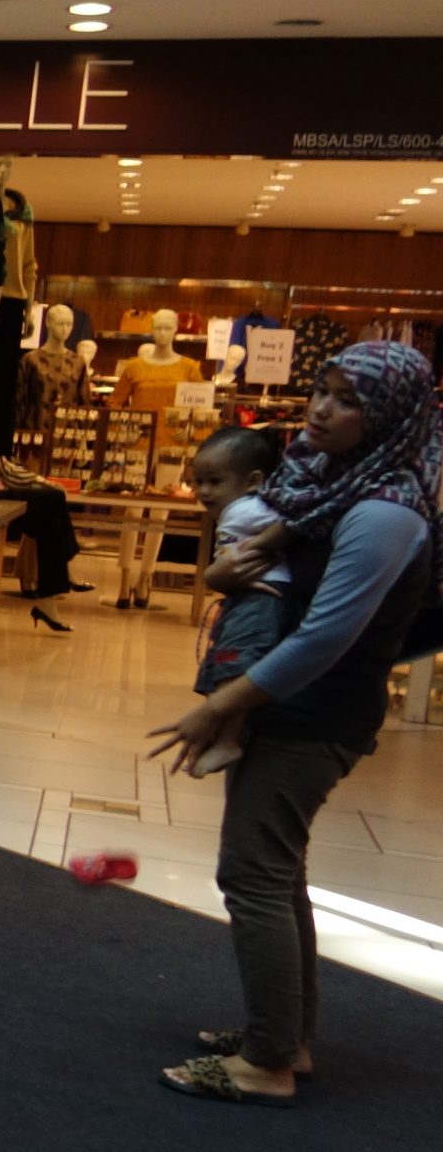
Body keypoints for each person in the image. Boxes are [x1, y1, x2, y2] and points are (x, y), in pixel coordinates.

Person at [149, 343, 440, 1106]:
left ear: (390, 418)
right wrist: (222, 574)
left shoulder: (383, 512)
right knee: (276, 872)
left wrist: (221, 704)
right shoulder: (335, 484)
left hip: (311, 713)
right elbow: (263, 566)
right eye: (321, 389)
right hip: (290, 705)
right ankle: (283, 1038)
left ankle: (266, 1064)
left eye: (348, 400)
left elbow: (324, 638)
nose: (321, 409)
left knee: (252, 874)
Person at [182, 425, 290, 775]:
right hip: (247, 597)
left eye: (215, 481)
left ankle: (228, 740)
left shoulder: (248, 509)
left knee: (234, 663)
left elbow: (292, 523)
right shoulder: (238, 509)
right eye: (198, 482)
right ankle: (220, 735)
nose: (203, 491)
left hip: (260, 600)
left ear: (252, 481)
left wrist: (259, 548)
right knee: (223, 661)